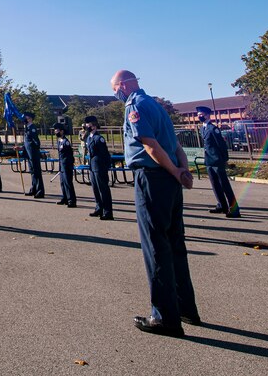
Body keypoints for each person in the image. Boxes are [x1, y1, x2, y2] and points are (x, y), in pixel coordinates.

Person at [113, 69, 199, 338]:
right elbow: (175, 147)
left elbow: (149, 145)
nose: (115, 93)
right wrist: (182, 172)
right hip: (170, 181)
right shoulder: (157, 106)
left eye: (115, 87)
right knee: (175, 245)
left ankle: (165, 317)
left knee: (156, 247)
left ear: (124, 85)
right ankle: (185, 308)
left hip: (152, 178)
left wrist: (175, 172)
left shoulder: (135, 106)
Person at [196, 106, 240, 218]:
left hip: (217, 161)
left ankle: (234, 209)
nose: (200, 116)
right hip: (209, 161)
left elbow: (221, 145)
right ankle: (222, 205)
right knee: (215, 185)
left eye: (202, 114)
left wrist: (224, 160)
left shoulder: (213, 129)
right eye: (198, 114)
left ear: (207, 115)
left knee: (224, 185)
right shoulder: (203, 128)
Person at [83, 116, 113, 219]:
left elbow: (104, 154)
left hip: (100, 166)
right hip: (92, 166)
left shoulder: (99, 138)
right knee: (95, 189)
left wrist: (106, 166)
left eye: (88, 124)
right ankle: (99, 208)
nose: (86, 126)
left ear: (94, 126)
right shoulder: (89, 137)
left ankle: (107, 212)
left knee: (103, 189)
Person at [54, 121, 77, 207]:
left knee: (68, 183)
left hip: (66, 164)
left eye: (57, 130)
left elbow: (69, 155)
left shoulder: (66, 142)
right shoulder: (60, 141)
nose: (56, 132)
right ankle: (65, 198)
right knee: (63, 182)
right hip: (62, 165)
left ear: (62, 131)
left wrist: (68, 165)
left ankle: (71, 200)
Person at [22, 111, 45, 198]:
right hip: (28, 153)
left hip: (33, 153)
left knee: (37, 172)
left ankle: (40, 191)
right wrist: (21, 148)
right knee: (32, 172)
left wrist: (35, 151)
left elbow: (36, 141)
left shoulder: (32, 127)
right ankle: (34, 188)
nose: (25, 119)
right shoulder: (27, 128)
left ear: (30, 119)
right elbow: (26, 141)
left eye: (26, 118)